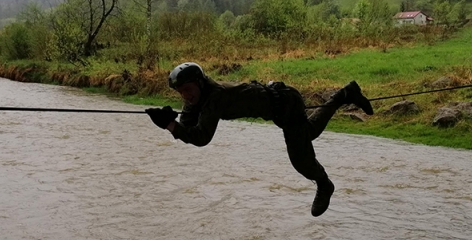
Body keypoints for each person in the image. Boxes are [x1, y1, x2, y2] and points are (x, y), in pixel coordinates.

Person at [146, 62, 374, 217]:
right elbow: (187, 124)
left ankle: (325, 184)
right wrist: (169, 119)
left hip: (285, 103)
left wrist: (170, 125)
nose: (185, 95)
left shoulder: (215, 97)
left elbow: (202, 137)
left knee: (301, 158)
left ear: (199, 82)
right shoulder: (198, 97)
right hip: (278, 102)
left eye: (188, 89)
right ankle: (346, 94)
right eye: (181, 92)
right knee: (308, 134)